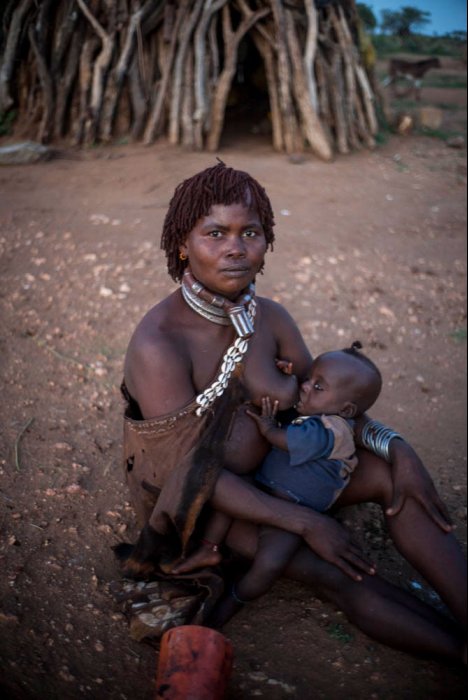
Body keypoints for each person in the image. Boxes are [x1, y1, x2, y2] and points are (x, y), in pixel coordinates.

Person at [120, 161, 466, 661]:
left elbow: (326, 410)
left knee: (399, 481)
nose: (236, 247)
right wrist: (305, 522)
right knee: (335, 568)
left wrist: (400, 450)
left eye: (250, 232)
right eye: (215, 233)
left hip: (286, 466)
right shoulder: (161, 343)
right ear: (182, 244)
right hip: (208, 503)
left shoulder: (271, 318)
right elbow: (191, 473)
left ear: (267, 241)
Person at [171, 342, 383, 626]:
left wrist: (269, 427)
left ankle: (235, 599)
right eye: (309, 379)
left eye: (318, 387)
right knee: (232, 497)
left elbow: (283, 440)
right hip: (266, 490)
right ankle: (209, 548)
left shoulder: (332, 432)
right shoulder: (316, 416)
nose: (306, 387)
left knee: (269, 564)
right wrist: (284, 374)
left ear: (345, 409)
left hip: (292, 513)